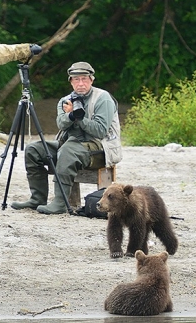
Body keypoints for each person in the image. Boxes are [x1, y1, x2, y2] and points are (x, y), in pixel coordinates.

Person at [12, 61, 122, 214]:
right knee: (33, 149)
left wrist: (79, 117)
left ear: (91, 79)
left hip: (101, 149)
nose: (81, 83)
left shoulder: (103, 98)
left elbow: (100, 131)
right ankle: (37, 198)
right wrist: (70, 115)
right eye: (76, 79)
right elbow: (61, 124)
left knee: (68, 151)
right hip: (71, 145)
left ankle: (60, 202)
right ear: (71, 81)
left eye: (84, 79)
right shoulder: (66, 100)